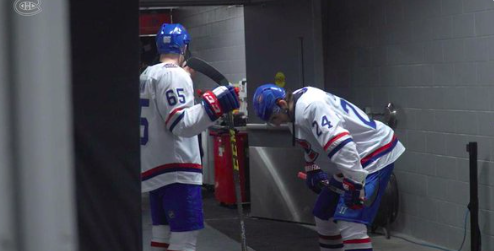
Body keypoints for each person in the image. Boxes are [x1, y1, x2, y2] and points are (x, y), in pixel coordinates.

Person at [252, 84, 405, 251]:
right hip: (350, 162)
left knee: (351, 224)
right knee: (324, 215)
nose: (275, 124)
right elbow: (310, 141)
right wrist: (313, 167)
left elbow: (342, 145)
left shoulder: (311, 106)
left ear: (282, 103)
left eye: (274, 118)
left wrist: (355, 184)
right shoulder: (294, 108)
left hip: (371, 156)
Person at [140, 23, 239, 251]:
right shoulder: (175, 75)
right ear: (184, 47)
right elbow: (180, 123)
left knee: (161, 235)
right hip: (177, 169)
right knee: (185, 239)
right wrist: (216, 103)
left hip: (155, 167)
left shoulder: (147, 73)